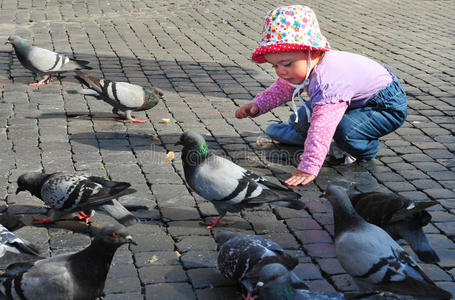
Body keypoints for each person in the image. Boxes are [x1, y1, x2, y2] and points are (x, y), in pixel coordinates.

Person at [235, 5, 407, 187]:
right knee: (305, 118)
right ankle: (298, 133)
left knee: (344, 131)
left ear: (313, 52)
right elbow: (283, 88)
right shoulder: (309, 65)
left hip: (384, 106)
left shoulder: (328, 83)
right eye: (275, 66)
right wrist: (258, 104)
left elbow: (322, 126)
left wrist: (309, 166)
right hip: (349, 98)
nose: (281, 71)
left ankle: (364, 148)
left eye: (286, 64)